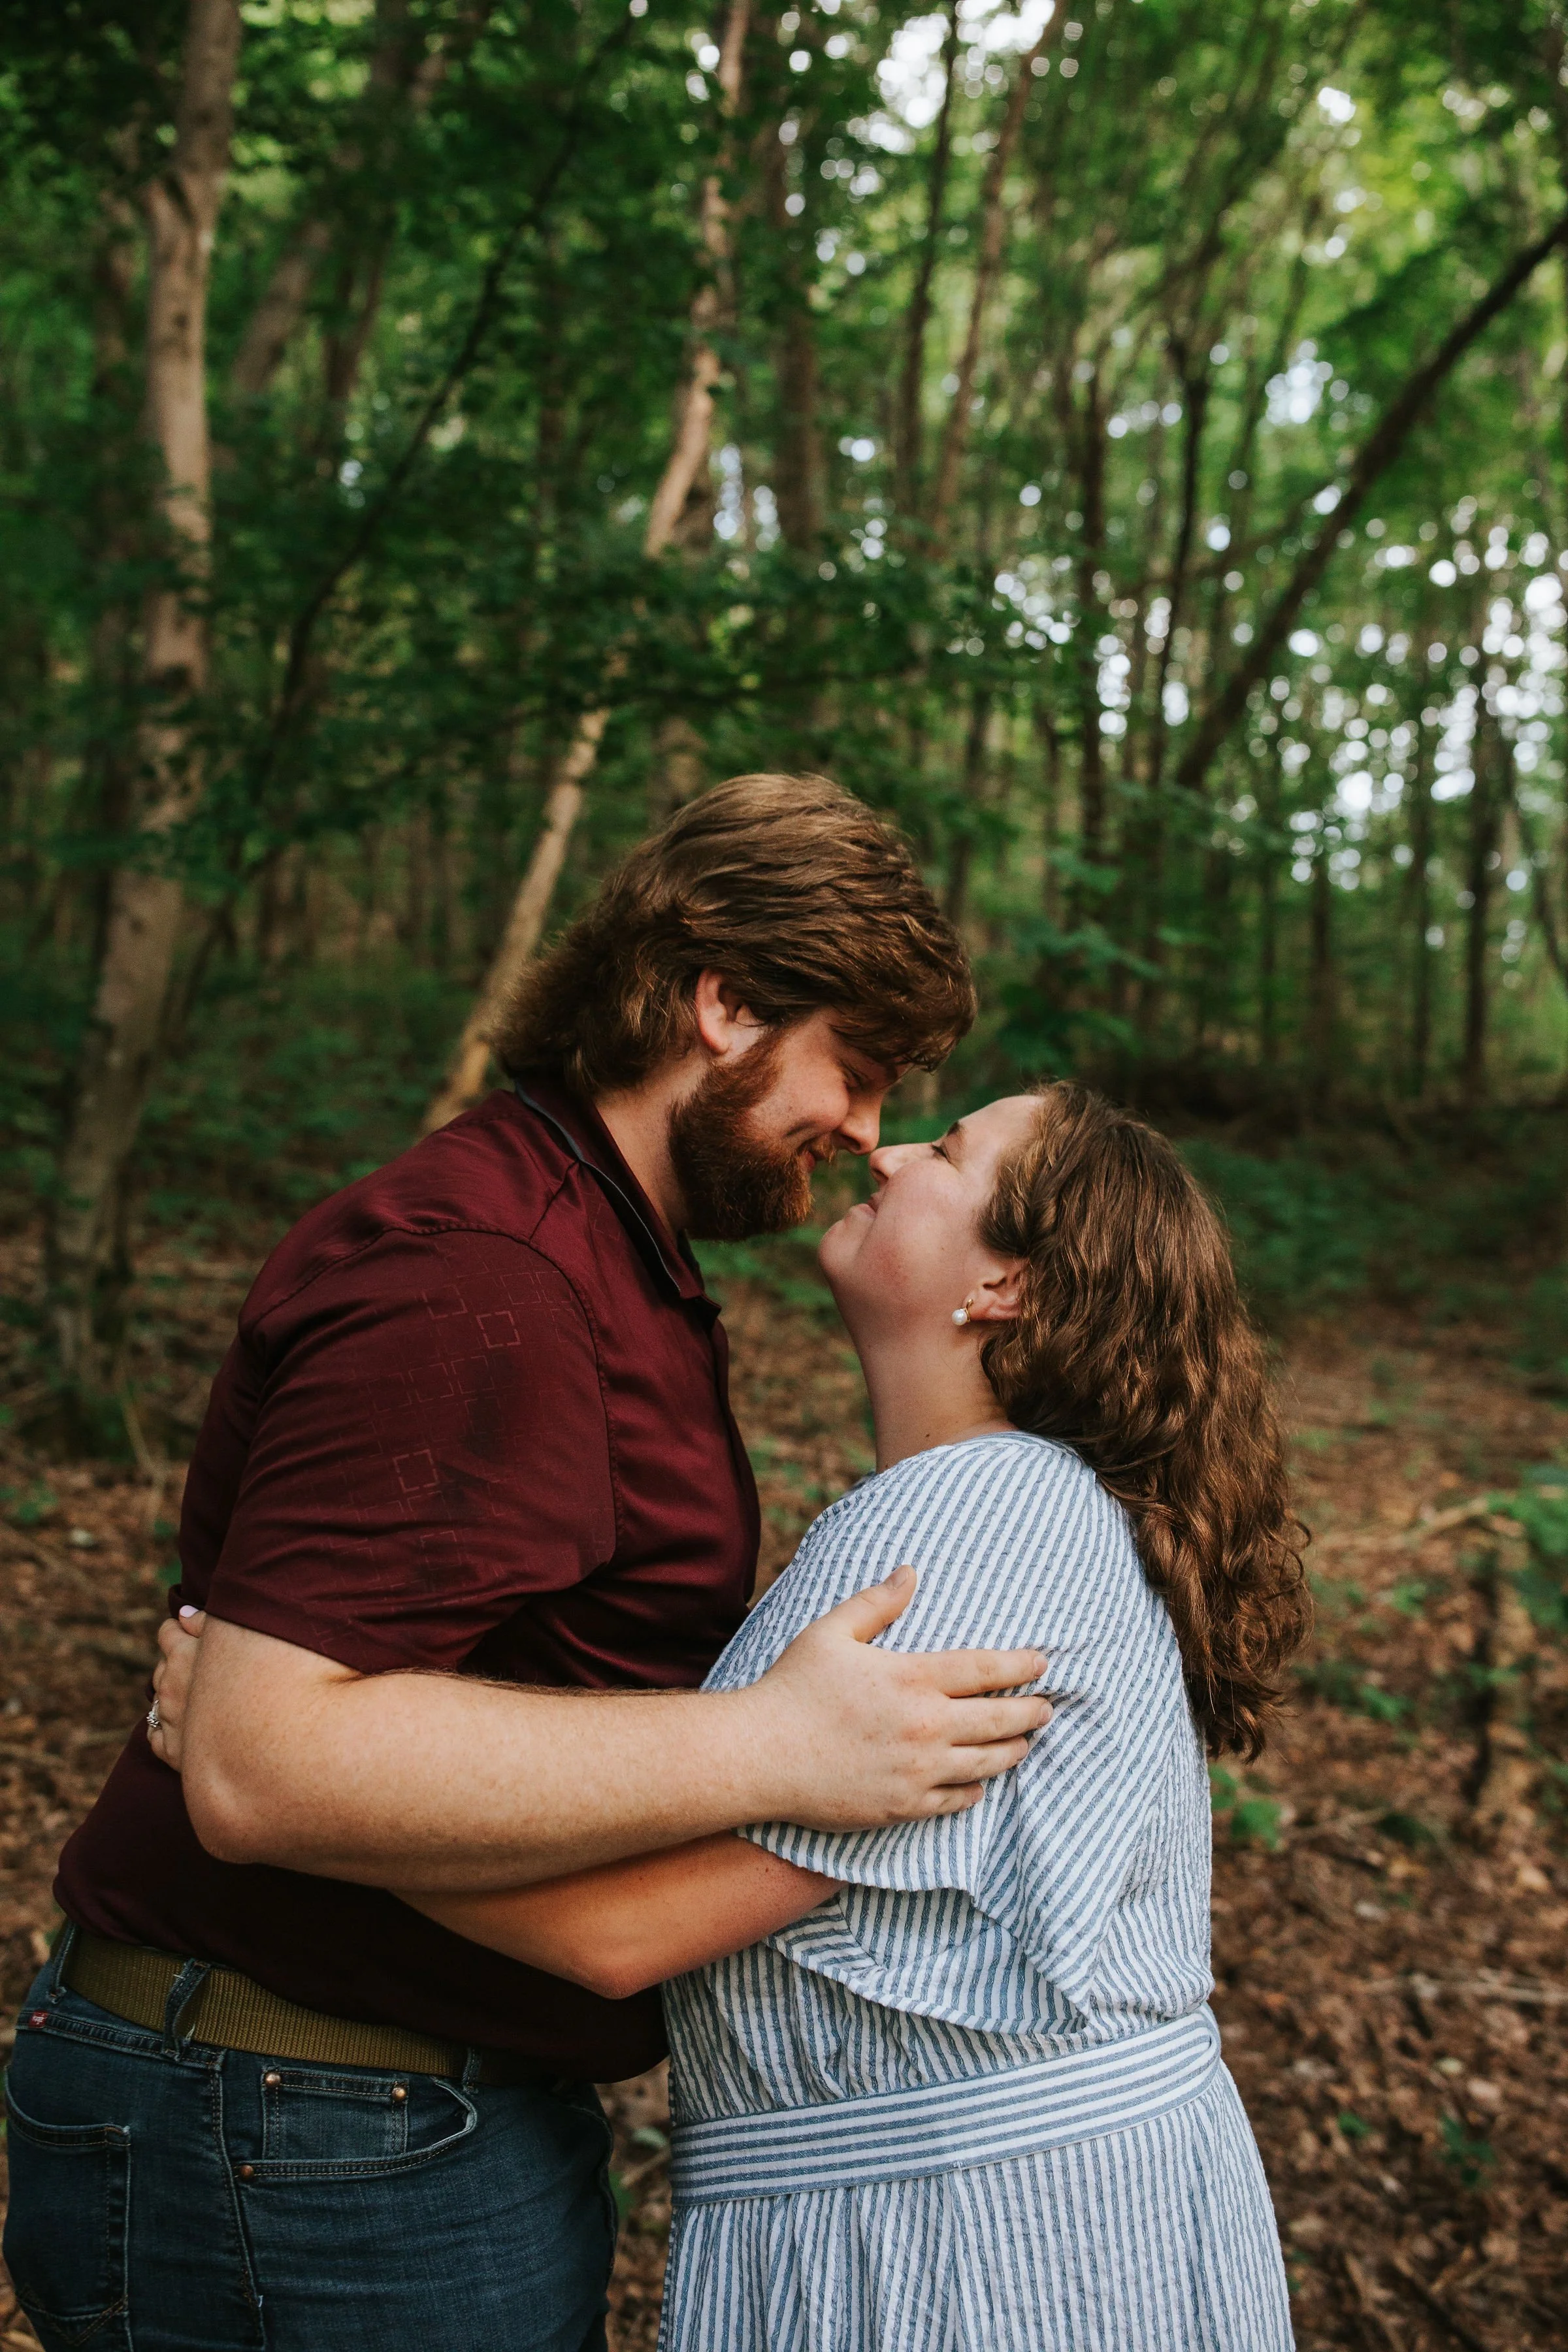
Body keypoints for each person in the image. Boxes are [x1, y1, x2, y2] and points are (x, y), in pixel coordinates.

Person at [2, 776, 1053, 2352]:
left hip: (365, 2121)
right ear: (726, 1002)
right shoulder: (485, 1276)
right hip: (299, 2130)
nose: (862, 1129)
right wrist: (780, 1742)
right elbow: (263, 1763)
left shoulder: (598, 1246)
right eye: (856, 1068)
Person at [378, 1083, 1313, 2350]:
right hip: (979, 2219)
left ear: (1009, 1286)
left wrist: (299, 1785)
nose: (890, 1143)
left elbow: (624, 1930)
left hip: (985, 2255)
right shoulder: (994, 1508)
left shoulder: (979, 1520)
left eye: (954, 1148)